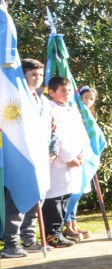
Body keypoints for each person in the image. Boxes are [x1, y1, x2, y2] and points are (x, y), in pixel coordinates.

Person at [1, 58, 53, 257]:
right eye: (33, 74)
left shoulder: (43, 100)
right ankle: (11, 243)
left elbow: (51, 128)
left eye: (40, 75)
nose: (38, 78)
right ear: (22, 76)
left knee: (35, 196)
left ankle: (29, 239)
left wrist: (53, 149)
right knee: (16, 199)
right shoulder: (13, 100)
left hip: (39, 158)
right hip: (18, 157)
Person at [43, 76, 91, 248]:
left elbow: (83, 135)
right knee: (54, 199)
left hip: (75, 162)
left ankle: (59, 231)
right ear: (52, 92)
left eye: (69, 90)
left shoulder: (71, 110)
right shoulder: (50, 109)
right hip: (58, 162)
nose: (67, 93)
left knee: (65, 198)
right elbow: (56, 137)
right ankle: (52, 234)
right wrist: (69, 157)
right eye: (63, 90)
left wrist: (83, 154)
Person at [63, 85, 98, 241]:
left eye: (91, 99)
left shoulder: (88, 117)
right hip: (72, 159)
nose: (88, 101)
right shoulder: (73, 113)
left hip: (84, 158)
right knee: (71, 192)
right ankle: (67, 224)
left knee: (78, 191)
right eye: (85, 98)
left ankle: (74, 222)